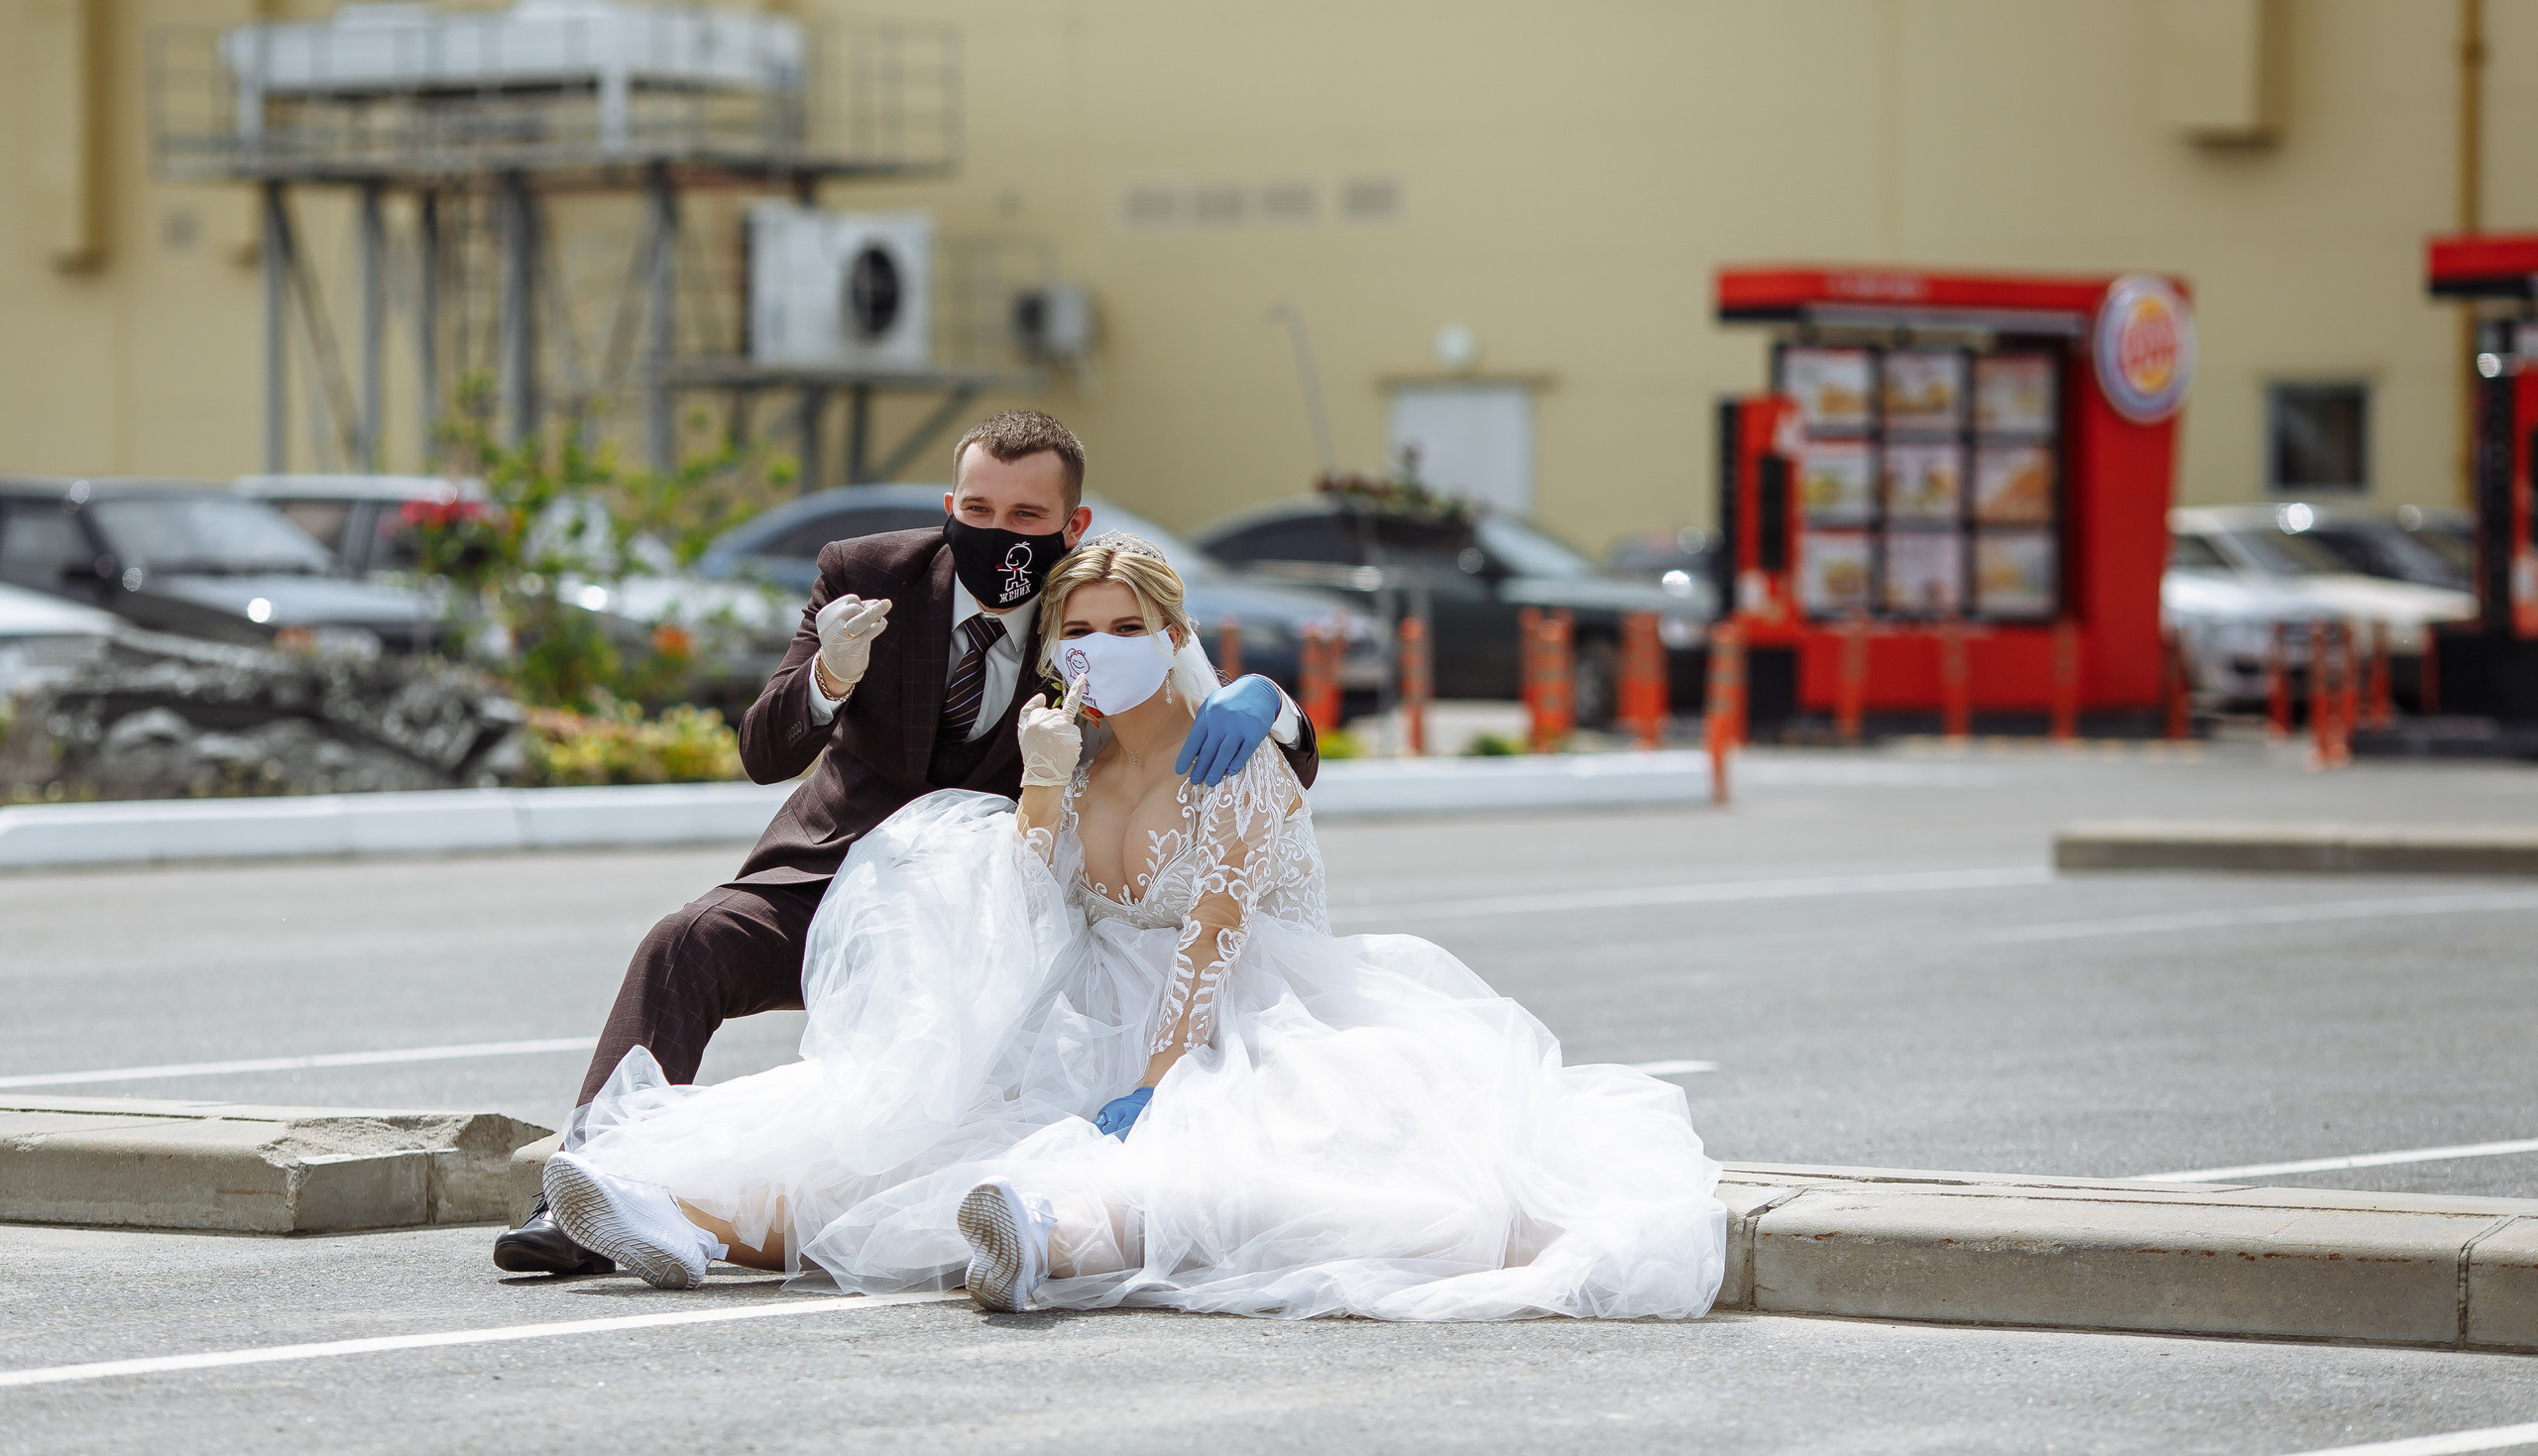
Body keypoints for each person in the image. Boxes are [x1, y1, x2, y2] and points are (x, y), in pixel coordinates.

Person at [535, 534, 1726, 1321]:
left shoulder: (1235, 751)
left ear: (1169, 631)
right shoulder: (1076, 745)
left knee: (1204, 1163)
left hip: (1240, 1017)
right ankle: (681, 1219)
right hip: (1084, 998)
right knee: (907, 1134)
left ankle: (1043, 1243)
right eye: (1076, 631)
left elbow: (1211, 936)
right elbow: (1020, 899)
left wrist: (1153, 1079)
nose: (1092, 648)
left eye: (1117, 625)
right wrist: (1045, 785)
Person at [493, 412, 1320, 1276]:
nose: (997, 533)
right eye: (977, 507)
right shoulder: (866, 575)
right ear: (949, 504)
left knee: (917, 1123)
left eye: (1026, 518)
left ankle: (723, 1215)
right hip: (836, 870)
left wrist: (1271, 696)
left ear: (1070, 527)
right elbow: (762, 749)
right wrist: (827, 678)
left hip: (983, 919)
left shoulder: (1085, 614)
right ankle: (579, 1193)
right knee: (684, 943)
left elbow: (1234, 755)